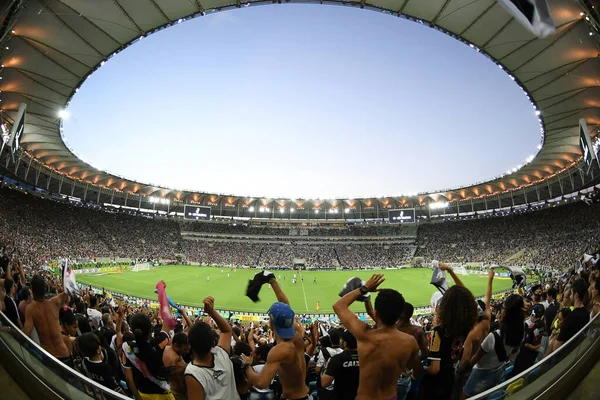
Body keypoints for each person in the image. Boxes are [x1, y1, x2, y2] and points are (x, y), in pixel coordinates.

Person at [333, 274, 422, 400]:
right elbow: (417, 370)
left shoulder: (365, 335)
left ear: (375, 312)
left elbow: (338, 306)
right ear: (399, 315)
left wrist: (364, 289)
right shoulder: (410, 342)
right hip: (391, 396)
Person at [241, 276, 311, 400]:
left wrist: (246, 366)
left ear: (271, 323)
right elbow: (286, 307)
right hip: (304, 395)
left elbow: (261, 383)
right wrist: (272, 281)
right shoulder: (297, 338)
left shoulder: (280, 351)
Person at [418, 285, 477, 400]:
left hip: (433, 385)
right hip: (450, 376)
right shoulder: (468, 328)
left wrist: (419, 367)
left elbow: (434, 369)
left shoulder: (437, 332)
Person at [463, 294, 525, 398]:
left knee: (465, 395)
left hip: (480, 374)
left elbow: (474, 360)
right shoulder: (520, 331)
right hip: (498, 371)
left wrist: (462, 369)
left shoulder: (494, 337)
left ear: (506, 313)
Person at [185, 296, 238, 400]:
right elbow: (227, 331)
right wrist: (211, 311)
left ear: (189, 343)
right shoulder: (222, 354)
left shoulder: (193, 373)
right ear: (214, 343)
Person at [121, 312, 173, 400]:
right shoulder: (159, 343)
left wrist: (138, 397)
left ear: (132, 329)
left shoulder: (126, 347)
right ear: (150, 329)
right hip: (163, 394)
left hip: (143, 394)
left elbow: (128, 379)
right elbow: (165, 328)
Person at [24, 275, 72, 364]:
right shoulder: (55, 302)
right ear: (46, 288)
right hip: (63, 354)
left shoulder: (30, 309)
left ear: (32, 289)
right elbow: (67, 294)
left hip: (49, 356)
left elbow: (25, 335)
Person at [547, 278, 590, 355]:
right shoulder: (586, 313)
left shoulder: (570, 317)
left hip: (565, 355)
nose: (570, 297)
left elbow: (556, 347)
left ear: (576, 294)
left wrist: (555, 337)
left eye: (571, 294)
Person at [396, 302, 429, 400]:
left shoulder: (390, 328)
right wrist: (413, 364)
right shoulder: (417, 331)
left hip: (390, 375)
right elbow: (425, 353)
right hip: (407, 374)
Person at [321, 329, 360, 400]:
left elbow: (324, 383)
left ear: (345, 343)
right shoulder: (367, 359)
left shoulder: (336, 359)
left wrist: (327, 367)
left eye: (341, 339)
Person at [512, 304, 545, 376]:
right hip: (534, 352)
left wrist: (534, 347)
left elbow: (526, 344)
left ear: (533, 314)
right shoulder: (542, 324)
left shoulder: (531, 328)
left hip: (526, 352)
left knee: (518, 368)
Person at [163, 332, 190, 400]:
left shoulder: (166, 347)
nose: (187, 352)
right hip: (175, 391)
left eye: (188, 349)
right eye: (185, 349)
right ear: (176, 345)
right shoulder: (175, 359)